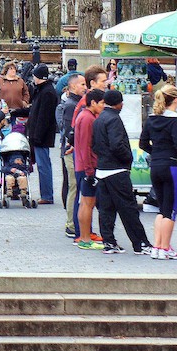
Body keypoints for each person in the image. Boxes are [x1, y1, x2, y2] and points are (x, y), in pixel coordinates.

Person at [92, 89, 152, 255]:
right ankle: (140, 243)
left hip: (102, 170)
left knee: (106, 209)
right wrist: (127, 158)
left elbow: (94, 145)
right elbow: (117, 144)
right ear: (119, 103)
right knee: (128, 208)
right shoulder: (114, 119)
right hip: (117, 170)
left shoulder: (98, 120)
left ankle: (109, 242)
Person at [139, 84, 177, 259]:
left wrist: (157, 154)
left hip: (156, 166)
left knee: (161, 208)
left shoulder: (151, 119)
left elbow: (142, 143)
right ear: (175, 99)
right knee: (171, 209)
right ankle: (165, 248)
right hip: (173, 166)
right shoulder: (175, 120)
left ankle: (157, 247)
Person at [72, 89, 106, 249]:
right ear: (93, 102)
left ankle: (85, 237)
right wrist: (89, 171)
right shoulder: (87, 119)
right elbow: (85, 146)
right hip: (87, 167)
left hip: (84, 166)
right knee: (87, 202)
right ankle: (85, 238)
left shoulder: (87, 116)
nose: (103, 106)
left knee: (86, 202)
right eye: (101, 103)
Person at [56, 73, 85, 238]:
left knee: (75, 186)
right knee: (73, 186)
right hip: (70, 151)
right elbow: (68, 131)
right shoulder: (70, 105)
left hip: (74, 150)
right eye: (82, 84)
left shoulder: (77, 103)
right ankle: (71, 223)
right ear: (73, 86)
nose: (84, 87)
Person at [25, 64, 58, 205]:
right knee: (43, 164)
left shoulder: (47, 93)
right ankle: (46, 193)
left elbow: (44, 117)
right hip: (39, 134)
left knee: (43, 165)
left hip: (41, 136)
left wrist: (36, 136)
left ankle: (47, 194)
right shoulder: (43, 90)